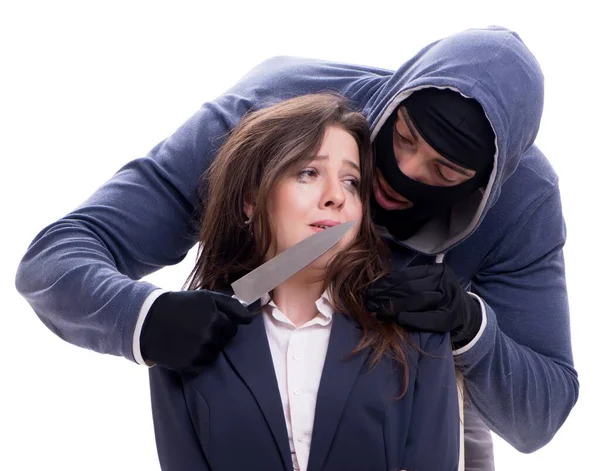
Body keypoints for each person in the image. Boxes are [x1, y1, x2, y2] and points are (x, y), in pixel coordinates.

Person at [15, 26, 578, 470]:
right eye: (403, 138)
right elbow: (54, 259)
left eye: (443, 169)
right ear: (249, 200)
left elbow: (541, 417)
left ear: (484, 185)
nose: (401, 172)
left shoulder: (524, 202)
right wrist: (144, 317)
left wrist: (469, 326)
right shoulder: (265, 116)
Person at [148, 92, 459, 471]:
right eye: (308, 173)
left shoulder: (416, 332)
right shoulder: (183, 338)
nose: (335, 197)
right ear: (250, 199)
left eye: (351, 182)